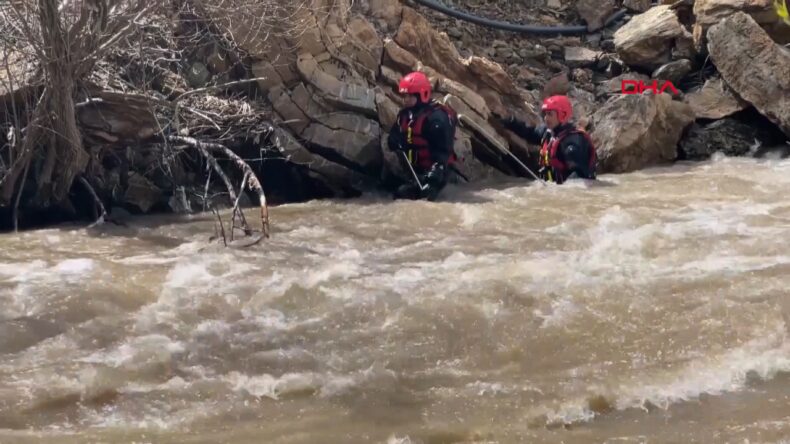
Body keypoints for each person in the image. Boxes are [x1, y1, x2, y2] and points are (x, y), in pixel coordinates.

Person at [387, 71, 460, 201]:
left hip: (438, 170)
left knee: (421, 197)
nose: (406, 99)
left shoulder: (436, 119)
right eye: (405, 96)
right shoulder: (405, 114)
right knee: (394, 189)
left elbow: (443, 151)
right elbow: (395, 133)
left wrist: (435, 172)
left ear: (422, 95)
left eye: (410, 96)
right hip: (414, 169)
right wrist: (393, 140)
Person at [493, 95, 597, 184]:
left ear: (563, 115)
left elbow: (579, 177)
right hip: (554, 185)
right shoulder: (548, 133)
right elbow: (530, 133)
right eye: (545, 114)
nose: (546, 118)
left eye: (550, 114)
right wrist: (510, 122)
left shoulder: (574, 142)